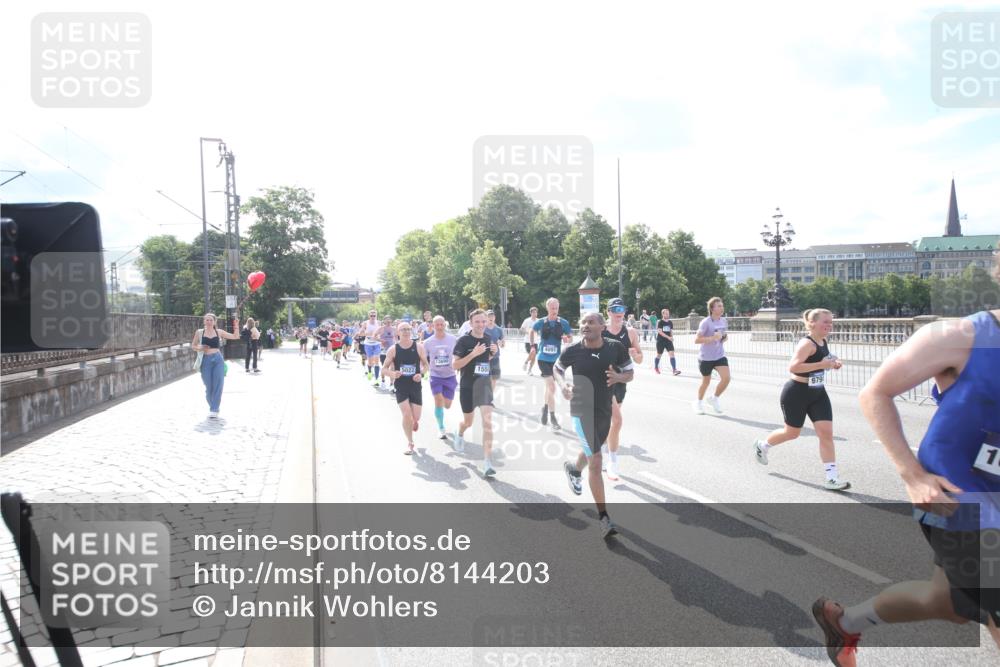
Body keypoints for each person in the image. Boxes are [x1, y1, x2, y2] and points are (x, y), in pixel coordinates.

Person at [812, 256, 1000, 665]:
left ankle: (846, 623)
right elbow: (874, 393)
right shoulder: (960, 336)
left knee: (945, 602)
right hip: (958, 499)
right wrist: (911, 474)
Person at [752, 309, 849, 491]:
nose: (829, 325)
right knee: (792, 433)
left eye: (830, 322)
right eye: (825, 322)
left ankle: (831, 478)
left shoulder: (823, 340)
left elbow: (821, 361)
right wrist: (822, 364)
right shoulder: (806, 343)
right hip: (797, 393)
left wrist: (833, 363)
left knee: (826, 434)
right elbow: (794, 366)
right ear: (812, 323)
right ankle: (762, 445)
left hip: (817, 393)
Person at [558, 312, 635, 539]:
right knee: (597, 460)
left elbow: (630, 372)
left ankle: (573, 468)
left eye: (591, 322)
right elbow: (557, 369)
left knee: (593, 449)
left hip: (603, 410)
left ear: (602, 326)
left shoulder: (615, 347)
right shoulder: (573, 350)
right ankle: (604, 517)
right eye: (582, 322)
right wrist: (563, 385)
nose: (585, 325)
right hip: (581, 411)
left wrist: (620, 378)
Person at [599, 297, 643, 481]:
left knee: (610, 422)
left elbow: (640, 359)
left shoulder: (631, 332)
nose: (619, 312)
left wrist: (635, 354)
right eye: (615, 308)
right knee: (617, 420)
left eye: (622, 308)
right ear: (608, 312)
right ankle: (613, 462)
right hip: (604, 381)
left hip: (622, 382)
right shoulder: (601, 331)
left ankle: (600, 449)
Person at [452, 309, 499, 476]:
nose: (481, 325)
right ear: (471, 323)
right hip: (467, 386)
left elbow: (484, 362)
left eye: (483, 322)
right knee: (468, 422)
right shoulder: (463, 341)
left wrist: (492, 354)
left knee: (487, 423)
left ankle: (487, 463)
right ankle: (460, 431)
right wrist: (473, 354)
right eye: (477, 322)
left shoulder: (488, 338)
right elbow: (455, 365)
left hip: (484, 386)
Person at [382, 322, 429, 455]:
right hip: (401, 386)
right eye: (403, 330)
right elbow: (384, 369)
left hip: (415, 385)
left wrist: (421, 374)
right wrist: (393, 374)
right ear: (398, 332)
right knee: (406, 414)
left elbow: (426, 365)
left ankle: (414, 421)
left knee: (416, 416)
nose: (406, 332)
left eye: (408, 329)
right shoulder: (393, 349)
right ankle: (410, 443)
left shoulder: (419, 347)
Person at [531, 298, 573, 431]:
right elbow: (532, 331)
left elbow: (570, 336)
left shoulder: (563, 323)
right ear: (547, 308)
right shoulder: (541, 322)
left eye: (556, 308)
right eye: (552, 308)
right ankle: (553, 418)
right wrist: (533, 346)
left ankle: (545, 407)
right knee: (552, 388)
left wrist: (567, 339)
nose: (554, 310)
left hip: (557, 361)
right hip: (543, 359)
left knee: (549, 389)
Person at [191, 314, 241, 418]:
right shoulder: (199, 332)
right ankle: (213, 406)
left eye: (211, 320)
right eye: (207, 320)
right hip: (206, 360)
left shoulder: (219, 332)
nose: (209, 322)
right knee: (209, 386)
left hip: (218, 360)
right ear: (204, 321)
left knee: (218, 384)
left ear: (214, 322)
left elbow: (235, 336)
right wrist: (200, 347)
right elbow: (193, 346)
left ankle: (214, 409)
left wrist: (236, 325)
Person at [694, 297, 730, 415]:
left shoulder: (723, 321)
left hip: (719, 355)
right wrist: (712, 338)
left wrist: (724, 338)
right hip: (706, 357)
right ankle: (698, 403)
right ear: (712, 309)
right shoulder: (706, 322)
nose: (722, 307)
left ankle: (714, 398)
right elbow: (697, 340)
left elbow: (723, 336)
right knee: (706, 382)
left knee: (726, 378)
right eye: (719, 306)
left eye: (722, 305)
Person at [424, 315, 458, 438]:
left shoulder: (453, 339)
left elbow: (459, 354)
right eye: (436, 324)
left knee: (447, 405)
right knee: (438, 401)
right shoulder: (427, 342)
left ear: (445, 325)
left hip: (450, 375)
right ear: (432, 326)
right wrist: (423, 368)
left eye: (441, 324)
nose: (439, 327)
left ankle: (441, 410)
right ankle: (441, 427)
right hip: (435, 375)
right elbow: (423, 359)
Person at [654, 308, 681, 375]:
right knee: (659, 355)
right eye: (666, 313)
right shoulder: (660, 322)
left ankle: (674, 369)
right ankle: (656, 367)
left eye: (668, 313)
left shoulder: (670, 322)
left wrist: (671, 337)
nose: (667, 314)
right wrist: (668, 337)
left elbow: (671, 331)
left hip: (668, 341)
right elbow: (660, 332)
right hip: (660, 341)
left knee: (672, 354)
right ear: (663, 314)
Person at [484, 310, 505, 392]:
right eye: (489, 316)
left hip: (495, 357)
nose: (491, 318)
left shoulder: (499, 330)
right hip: (484, 357)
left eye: (492, 316)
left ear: (495, 317)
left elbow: (503, 344)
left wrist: (501, 343)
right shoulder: (482, 328)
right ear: (486, 317)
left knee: (494, 378)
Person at [362, 310, 382, 383]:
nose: (373, 317)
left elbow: (381, 331)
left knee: (377, 360)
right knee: (370, 362)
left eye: (374, 315)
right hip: (368, 344)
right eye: (371, 315)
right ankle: (370, 371)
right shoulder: (365, 323)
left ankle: (376, 380)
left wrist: (377, 335)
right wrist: (368, 333)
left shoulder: (379, 322)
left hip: (376, 343)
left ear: (376, 316)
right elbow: (361, 333)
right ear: (369, 316)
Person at [378, 316, 397, 391]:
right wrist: (381, 340)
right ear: (384, 321)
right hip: (383, 350)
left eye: (390, 320)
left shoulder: (394, 329)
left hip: (392, 350)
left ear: (391, 321)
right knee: (384, 367)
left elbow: (398, 338)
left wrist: (397, 343)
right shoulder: (381, 328)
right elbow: (374, 336)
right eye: (387, 320)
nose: (388, 322)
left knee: (393, 367)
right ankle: (383, 381)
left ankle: (392, 384)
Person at [520, 306, 540, 375]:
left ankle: (529, 370)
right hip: (528, 341)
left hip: (536, 341)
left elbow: (541, 329)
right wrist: (527, 332)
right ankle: (526, 363)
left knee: (534, 356)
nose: (535, 313)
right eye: (533, 312)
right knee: (533, 352)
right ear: (531, 313)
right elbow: (521, 329)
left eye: (536, 312)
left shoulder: (538, 321)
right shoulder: (527, 320)